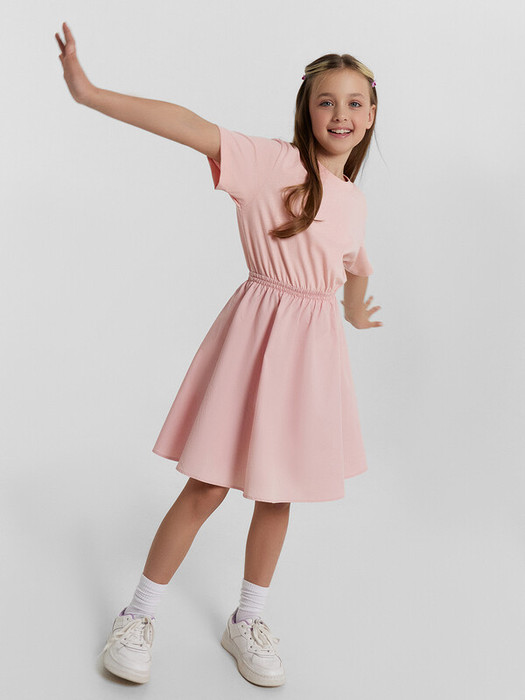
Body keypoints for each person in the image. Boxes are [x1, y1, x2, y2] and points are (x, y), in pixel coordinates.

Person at [55, 21, 383, 688]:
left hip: (311, 358)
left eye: (354, 102)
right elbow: (188, 125)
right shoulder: (272, 163)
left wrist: (351, 309)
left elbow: (355, 262)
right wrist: (90, 93)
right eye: (326, 100)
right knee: (207, 484)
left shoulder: (353, 201)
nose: (340, 114)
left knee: (278, 493)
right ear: (306, 108)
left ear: (371, 113)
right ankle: (138, 614)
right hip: (257, 338)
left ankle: (247, 621)